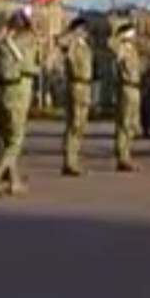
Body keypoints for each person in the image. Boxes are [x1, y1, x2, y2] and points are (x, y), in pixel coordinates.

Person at [0, 8, 36, 197]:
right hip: (15, 93)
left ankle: (14, 182)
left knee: (6, 140)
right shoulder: (17, 42)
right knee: (15, 141)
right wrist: (22, 20)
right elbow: (27, 54)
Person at [59, 16, 93, 178]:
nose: (85, 32)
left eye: (85, 30)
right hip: (76, 85)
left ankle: (75, 160)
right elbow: (60, 41)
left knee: (81, 126)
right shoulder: (72, 44)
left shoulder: (85, 47)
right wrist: (72, 32)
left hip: (85, 87)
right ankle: (69, 162)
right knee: (74, 124)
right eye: (83, 29)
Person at [108, 21, 142, 172]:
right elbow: (110, 44)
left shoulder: (133, 50)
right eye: (131, 33)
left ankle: (127, 154)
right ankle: (122, 156)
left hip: (135, 88)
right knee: (124, 123)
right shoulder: (121, 48)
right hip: (126, 88)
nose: (134, 36)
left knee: (133, 124)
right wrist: (119, 35)